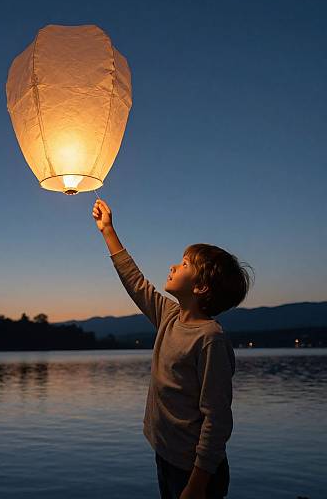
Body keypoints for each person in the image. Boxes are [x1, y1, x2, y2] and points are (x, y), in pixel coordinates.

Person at [92, 198, 254, 499]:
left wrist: (197, 484)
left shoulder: (210, 339)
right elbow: (136, 282)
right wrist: (108, 230)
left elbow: (217, 420)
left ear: (201, 287)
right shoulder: (169, 316)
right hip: (166, 456)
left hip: (196, 472)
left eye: (185, 264)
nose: (173, 265)